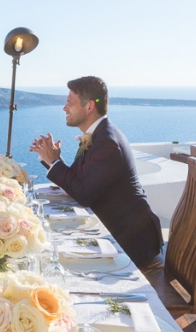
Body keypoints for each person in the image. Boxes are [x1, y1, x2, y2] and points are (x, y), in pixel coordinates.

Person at [29, 76, 162, 268]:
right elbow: (79, 182)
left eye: (70, 103)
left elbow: (84, 194)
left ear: (90, 106)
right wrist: (51, 159)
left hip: (132, 240)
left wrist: (55, 162)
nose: (64, 108)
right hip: (116, 230)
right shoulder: (98, 134)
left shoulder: (107, 142)